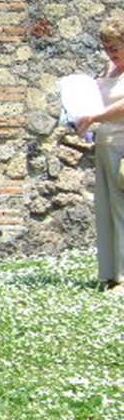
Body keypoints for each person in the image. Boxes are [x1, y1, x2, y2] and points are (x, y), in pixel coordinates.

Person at [76, 15, 124, 293]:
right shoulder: (109, 69)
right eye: (106, 48)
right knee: (106, 209)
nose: (110, 53)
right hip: (105, 145)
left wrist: (95, 116)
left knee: (122, 209)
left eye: (115, 48)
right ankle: (110, 272)